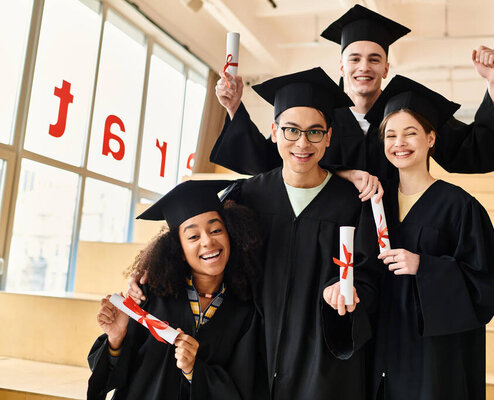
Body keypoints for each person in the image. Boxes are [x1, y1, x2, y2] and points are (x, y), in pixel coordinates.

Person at [132, 67, 381, 400]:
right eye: (291, 130)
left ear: (329, 137)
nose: (302, 143)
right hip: (251, 352)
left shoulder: (351, 202)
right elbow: (202, 242)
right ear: (275, 131)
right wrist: (147, 272)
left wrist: (347, 292)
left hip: (322, 360)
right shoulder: (247, 196)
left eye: (315, 132)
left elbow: (369, 277)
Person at [210, 4, 494, 196]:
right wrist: (234, 107)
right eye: (355, 58)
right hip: (328, 234)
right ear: (341, 66)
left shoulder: (407, 111)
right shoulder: (318, 113)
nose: (364, 67)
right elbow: (268, 161)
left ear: (386, 67)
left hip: (395, 234)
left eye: (375, 59)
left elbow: (469, 152)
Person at [365, 75, 494, 400]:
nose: (399, 143)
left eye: (410, 133)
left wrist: (424, 266)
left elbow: (485, 282)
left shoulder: (460, 206)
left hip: (434, 355)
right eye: (391, 135)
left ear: (430, 138)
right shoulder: (376, 203)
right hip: (383, 344)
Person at [87, 180, 264, 400]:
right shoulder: (150, 295)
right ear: (179, 250)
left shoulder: (245, 311)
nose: (208, 241)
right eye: (193, 236)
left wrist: (194, 371)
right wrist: (116, 338)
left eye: (216, 229)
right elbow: (113, 378)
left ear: (231, 234)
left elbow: (242, 387)